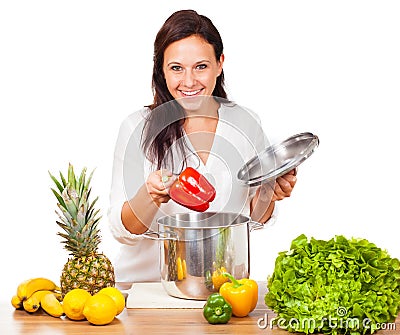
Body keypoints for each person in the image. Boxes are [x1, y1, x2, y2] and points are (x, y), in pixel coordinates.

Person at [108, 9, 297, 283]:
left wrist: (269, 190)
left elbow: (253, 220)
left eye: (201, 66)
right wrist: (149, 195)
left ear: (219, 64)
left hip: (221, 286)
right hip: (144, 289)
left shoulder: (245, 123)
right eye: (176, 68)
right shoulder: (137, 127)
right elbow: (123, 230)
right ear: (161, 69)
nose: (189, 82)